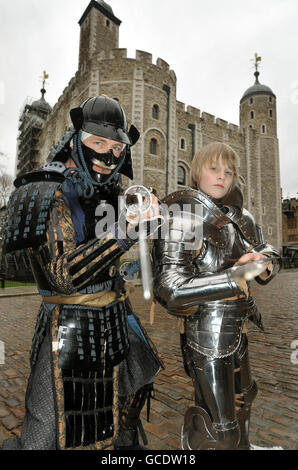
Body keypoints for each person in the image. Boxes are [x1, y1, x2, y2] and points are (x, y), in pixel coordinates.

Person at [2, 96, 163, 450]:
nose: (108, 155)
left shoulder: (113, 193)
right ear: (77, 139)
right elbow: (62, 274)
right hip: (68, 323)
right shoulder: (48, 190)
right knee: (48, 431)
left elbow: (112, 263)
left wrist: (156, 232)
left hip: (115, 317)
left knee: (137, 383)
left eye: (117, 147)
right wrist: (125, 232)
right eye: (98, 143)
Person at [152, 142, 281, 450]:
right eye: (214, 168)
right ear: (197, 171)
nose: (222, 176)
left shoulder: (241, 218)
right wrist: (234, 276)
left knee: (245, 399)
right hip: (205, 331)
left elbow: (267, 250)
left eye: (229, 171)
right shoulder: (181, 218)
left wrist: (261, 264)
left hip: (241, 324)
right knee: (220, 430)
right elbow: (168, 288)